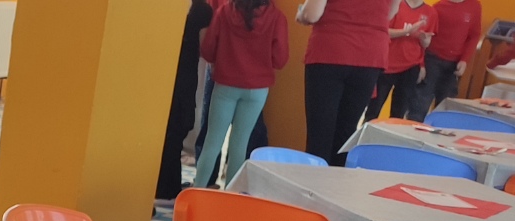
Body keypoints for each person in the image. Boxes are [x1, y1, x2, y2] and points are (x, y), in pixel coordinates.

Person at [193, 0, 289, 188]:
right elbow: (280, 59)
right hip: (257, 89)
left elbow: (208, 50)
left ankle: (197, 191)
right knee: (240, 144)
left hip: (225, 85)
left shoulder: (224, 12)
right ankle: (231, 195)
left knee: (212, 142)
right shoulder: (277, 17)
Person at [299, 0, 403, 164]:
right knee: (346, 134)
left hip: (331, 50)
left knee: (320, 135)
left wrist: (302, 14)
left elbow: (312, 14)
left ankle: (313, 178)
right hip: (370, 54)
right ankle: (338, 178)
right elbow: (390, 12)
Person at [156, 0, 215, 207]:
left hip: (160, 72)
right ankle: (167, 189)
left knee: (165, 129)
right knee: (177, 129)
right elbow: (206, 48)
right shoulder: (202, 10)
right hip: (185, 76)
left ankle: (161, 184)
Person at [367, 0, 437, 122]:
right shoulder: (396, 4)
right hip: (387, 64)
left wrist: (423, 40)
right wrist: (406, 32)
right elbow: (385, 31)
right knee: (374, 109)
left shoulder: (431, 12)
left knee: (399, 112)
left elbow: (426, 44)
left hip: (410, 66)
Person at [423, 0, 483, 110]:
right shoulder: (438, 7)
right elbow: (427, 36)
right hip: (432, 59)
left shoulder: (474, 5)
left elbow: (474, 35)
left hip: (454, 64)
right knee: (421, 102)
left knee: (446, 105)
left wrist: (464, 60)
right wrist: (421, 65)